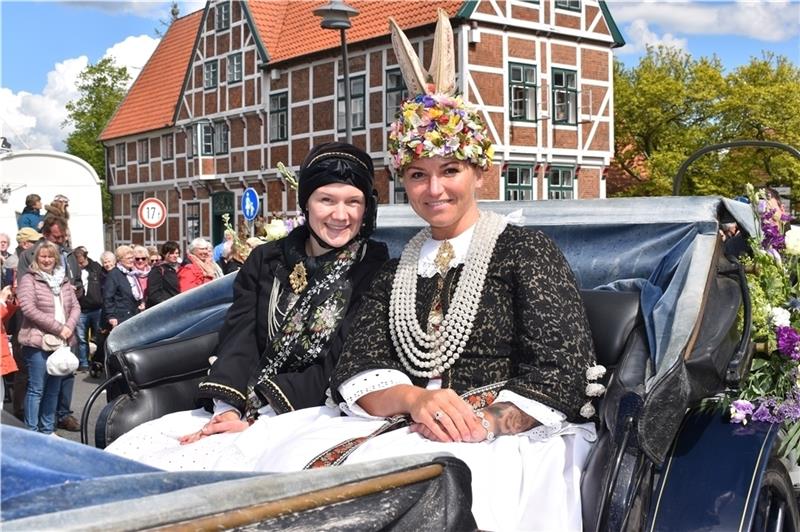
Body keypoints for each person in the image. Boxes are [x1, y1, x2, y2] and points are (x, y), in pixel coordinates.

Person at [113, 14, 601, 530]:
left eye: (450, 170)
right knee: (299, 485)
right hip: (405, 424)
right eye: (417, 175)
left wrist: (486, 421)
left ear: (480, 171)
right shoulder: (400, 269)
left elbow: (560, 370)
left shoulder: (523, 251)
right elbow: (359, 364)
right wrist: (415, 399)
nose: (434, 190)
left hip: (511, 439)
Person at [106, 142, 389, 466]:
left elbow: (342, 359)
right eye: (327, 200)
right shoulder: (267, 260)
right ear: (306, 203)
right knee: (142, 453)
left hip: (315, 409)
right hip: (243, 399)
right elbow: (240, 336)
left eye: (353, 202)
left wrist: (261, 411)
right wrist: (228, 409)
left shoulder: (374, 267)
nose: (341, 215)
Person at [17, 215, 83, 433]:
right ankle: (32, 431)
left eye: (50, 256)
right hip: (37, 340)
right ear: (37, 258)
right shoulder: (29, 278)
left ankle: (47, 430)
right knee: (37, 388)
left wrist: (69, 327)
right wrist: (58, 327)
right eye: (42, 256)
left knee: (54, 389)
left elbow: (75, 306)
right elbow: (28, 308)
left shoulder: (63, 280)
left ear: (56, 258)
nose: (46, 260)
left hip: (62, 340)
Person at [73, 247, 105, 371]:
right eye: (78, 263)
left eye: (82, 262)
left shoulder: (96, 268)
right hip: (81, 309)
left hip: (96, 308)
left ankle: (98, 361)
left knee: (99, 336)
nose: (80, 265)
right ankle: (84, 363)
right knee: (81, 338)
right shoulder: (74, 270)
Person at [103, 245, 145, 330]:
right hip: (122, 316)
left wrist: (141, 302)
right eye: (128, 258)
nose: (131, 260)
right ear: (120, 260)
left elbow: (135, 291)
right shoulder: (114, 274)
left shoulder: (132, 273)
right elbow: (108, 297)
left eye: (132, 257)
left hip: (134, 313)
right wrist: (111, 316)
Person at [145, 241, 181, 307]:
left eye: (177, 253)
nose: (175, 256)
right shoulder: (158, 269)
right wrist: (164, 304)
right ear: (164, 254)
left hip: (176, 305)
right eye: (171, 253)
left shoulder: (177, 268)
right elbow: (153, 292)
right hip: (165, 307)